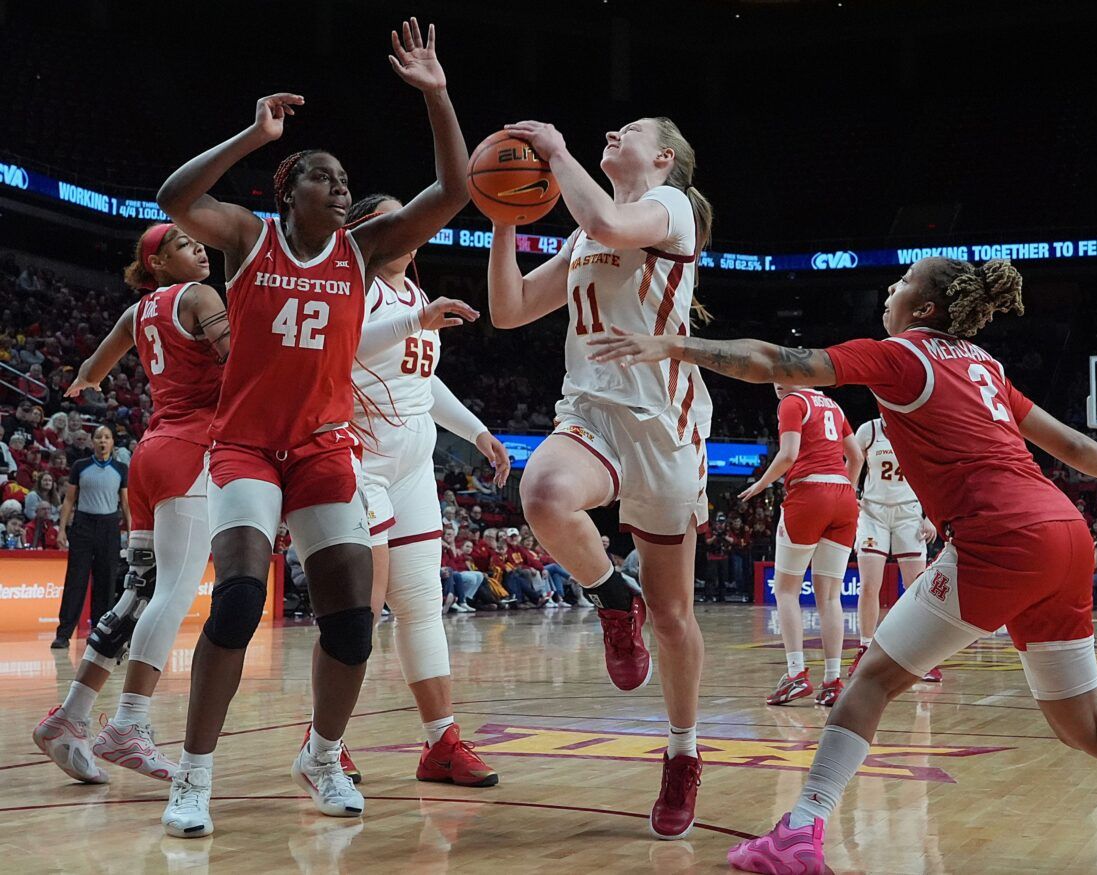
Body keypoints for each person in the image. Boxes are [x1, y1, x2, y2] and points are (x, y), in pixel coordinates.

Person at [588, 255, 1097, 873]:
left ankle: (800, 832)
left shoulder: (901, 355)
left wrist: (674, 344)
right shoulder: (984, 364)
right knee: (1085, 725)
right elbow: (1064, 442)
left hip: (1001, 536)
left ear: (924, 309)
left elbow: (781, 363)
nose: (892, 287)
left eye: (903, 282)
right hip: (1066, 532)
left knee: (870, 679)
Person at [153, 18, 470, 838]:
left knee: (352, 622)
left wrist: (436, 94)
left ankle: (323, 753)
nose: (340, 189)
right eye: (323, 179)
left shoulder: (361, 253)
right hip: (248, 448)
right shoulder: (249, 239)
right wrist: (251, 136)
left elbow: (455, 190)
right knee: (235, 600)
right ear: (287, 188)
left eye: (344, 181)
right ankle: (193, 774)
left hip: (325, 448)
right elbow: (175, 200)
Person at [488, 113, 713, 838]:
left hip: (664, 429)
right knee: (543, 492)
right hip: (590, 412)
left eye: (631, 129)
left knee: (676, 616)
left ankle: (682, 752)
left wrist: (555, 151)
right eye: (607, 128)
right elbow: (511, 307)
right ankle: (615, 600)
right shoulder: (584, 229)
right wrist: (501, 218)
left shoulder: (670, 206)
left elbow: (616, 227)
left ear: (665, 156)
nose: (611, 131)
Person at [33, 223, 229, 785]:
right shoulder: (201, 296)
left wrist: (82, 384)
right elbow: (238, 362)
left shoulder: (137, 313)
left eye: (198, 241)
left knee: (139, 592)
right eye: (183, 245)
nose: (198, 248)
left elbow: (91, 372)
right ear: (159, 265)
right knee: (172, 591)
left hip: (147, 454)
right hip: (191, 450)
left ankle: (69, 717)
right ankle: (128, 724)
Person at [336, 191, 507, 788]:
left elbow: (423, 383)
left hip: (411, 474)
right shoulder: (347, 285)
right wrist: (419, 319)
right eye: (394, 217)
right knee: (361, 608)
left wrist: (478, 432)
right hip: (357, 464)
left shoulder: (412, 293)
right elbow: (348, 344)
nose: (411, 224)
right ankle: (323, 742)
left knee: (422, 606)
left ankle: (441, 742)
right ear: (366, 231)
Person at [738, 384, 863, 707]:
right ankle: (832, 681)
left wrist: (761, 484)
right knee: (831, 595)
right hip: (843, 496)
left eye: (784, 374)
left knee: (786, 590)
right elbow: (856, 456)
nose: (778, 382)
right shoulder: (832, 404)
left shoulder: (793, 402)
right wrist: (847, 491)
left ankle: (796, 674)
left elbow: (789, 454)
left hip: (810, 492)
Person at [845, 417, 940, 681]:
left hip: (908, 513)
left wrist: (930, 515)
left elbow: (930, 475)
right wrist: (849, 493)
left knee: (917, 590)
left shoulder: (917, 429)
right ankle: (865, 647)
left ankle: (923, 655)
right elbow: (852, 461)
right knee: (869, 586)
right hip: (873, 513)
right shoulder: (869, 430)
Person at [51, 426, 130, 649]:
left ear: (113, 442)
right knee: (76, 579)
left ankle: (100, 631)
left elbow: (125, 503)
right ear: (92, 442)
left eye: (106, 438)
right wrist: (62, 529)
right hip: (83, 525)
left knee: (106, 581)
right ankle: (64, 633)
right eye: (98, 438)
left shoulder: (121, 468)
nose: (102, 441)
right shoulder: (80, 466)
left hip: (109, 526)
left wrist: (132, 531)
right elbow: (68, 501)